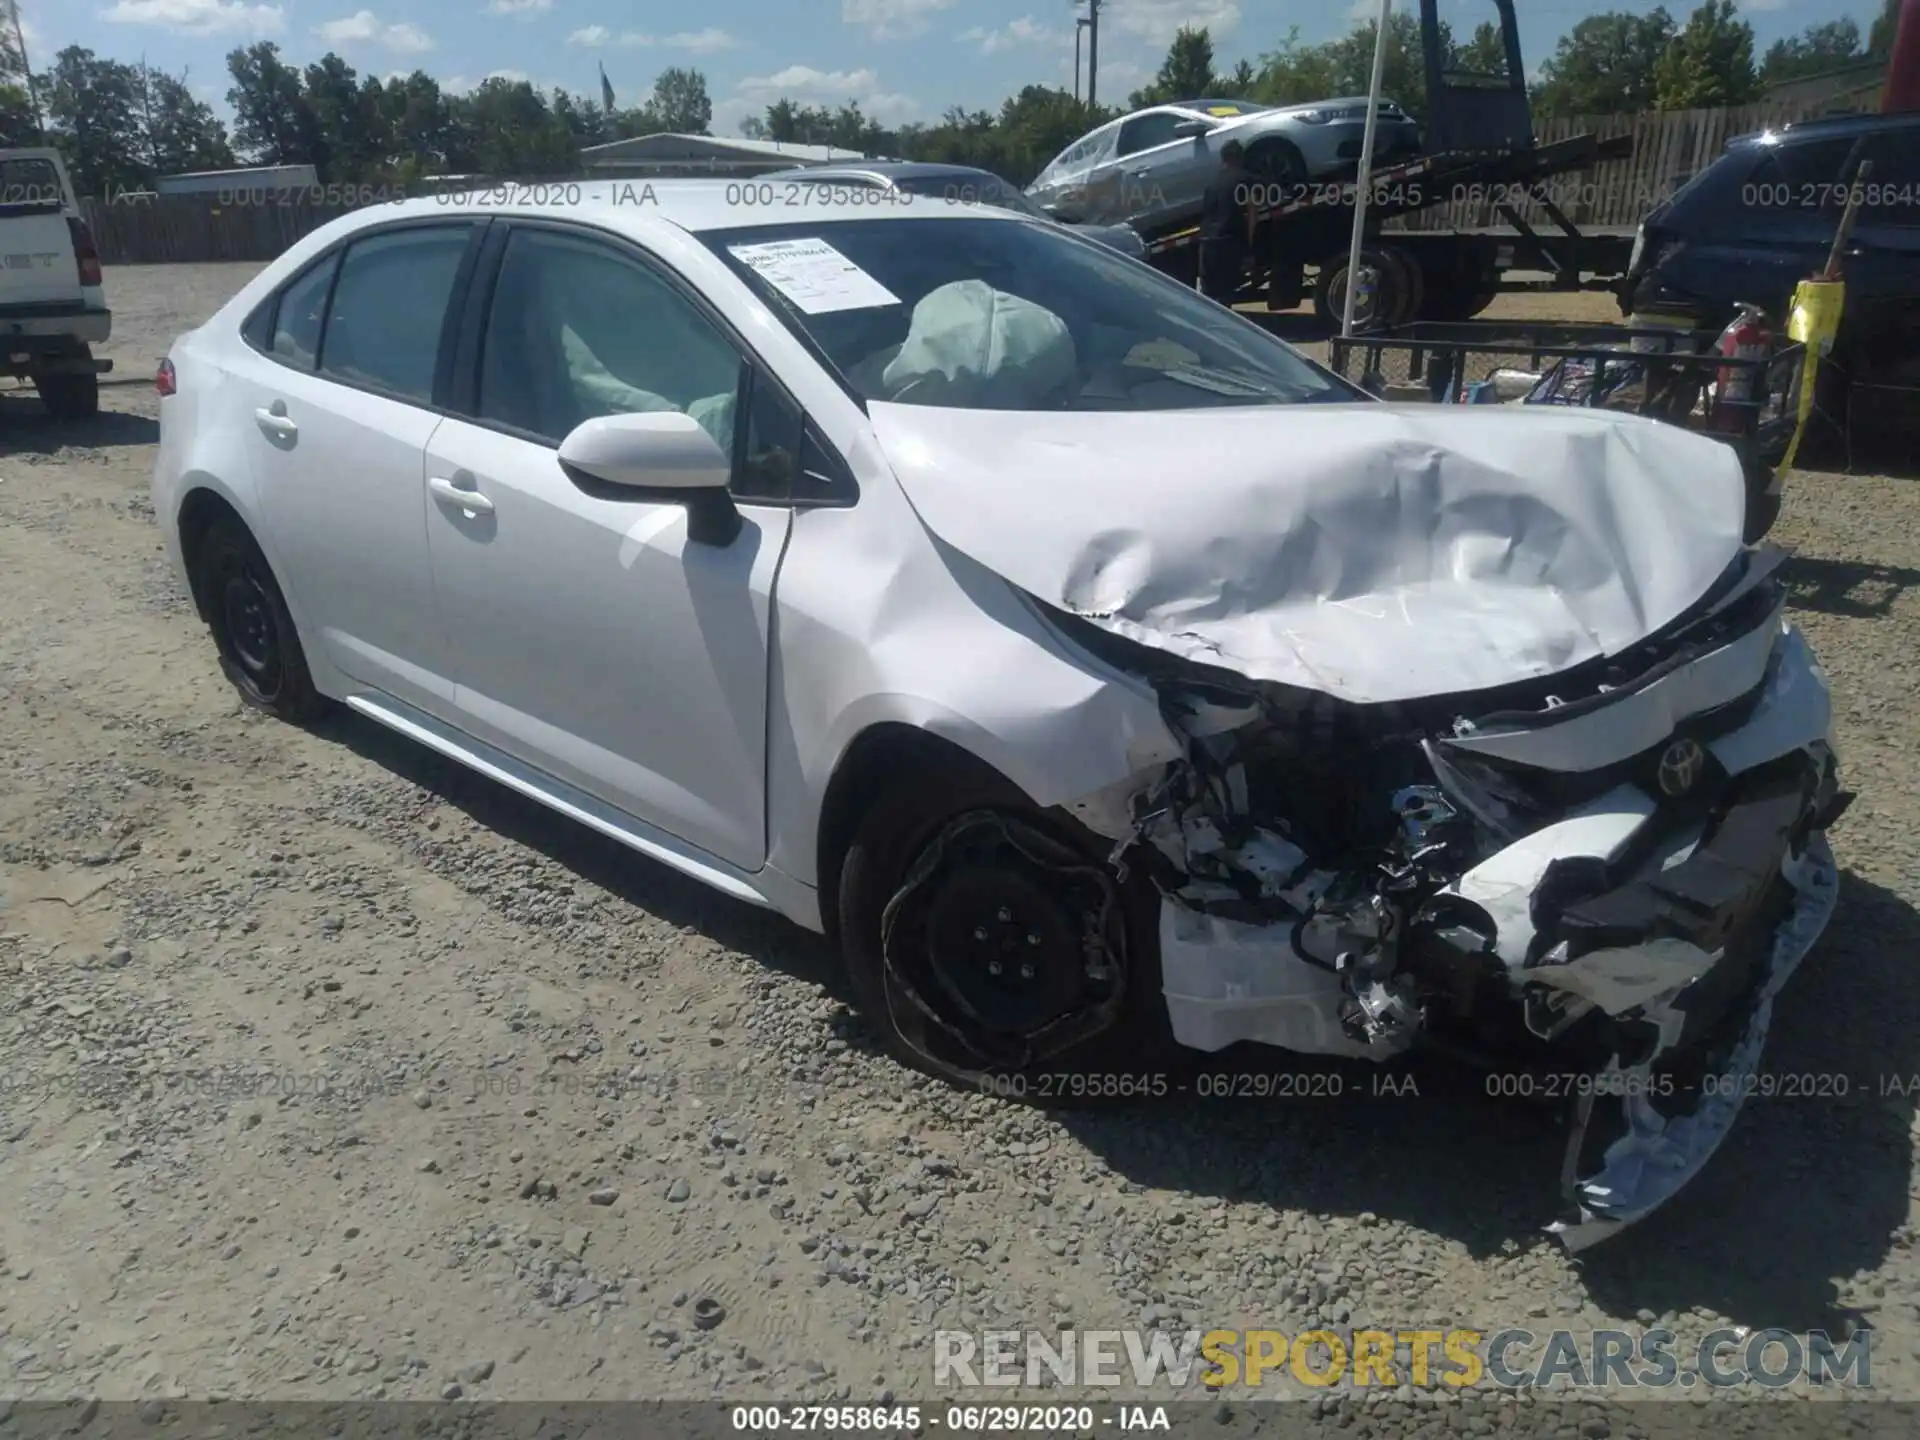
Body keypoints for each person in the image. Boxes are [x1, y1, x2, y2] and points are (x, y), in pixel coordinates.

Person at [1197, 140, 1254, 305]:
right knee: (1226, 294)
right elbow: (1252, 213)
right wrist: (1249, 248)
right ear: (1240, 158)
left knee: (1209, 296)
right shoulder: (1244, 178)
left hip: (1206, 243)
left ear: (1223, 159)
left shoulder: (1211, 184)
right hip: (1227, 242)